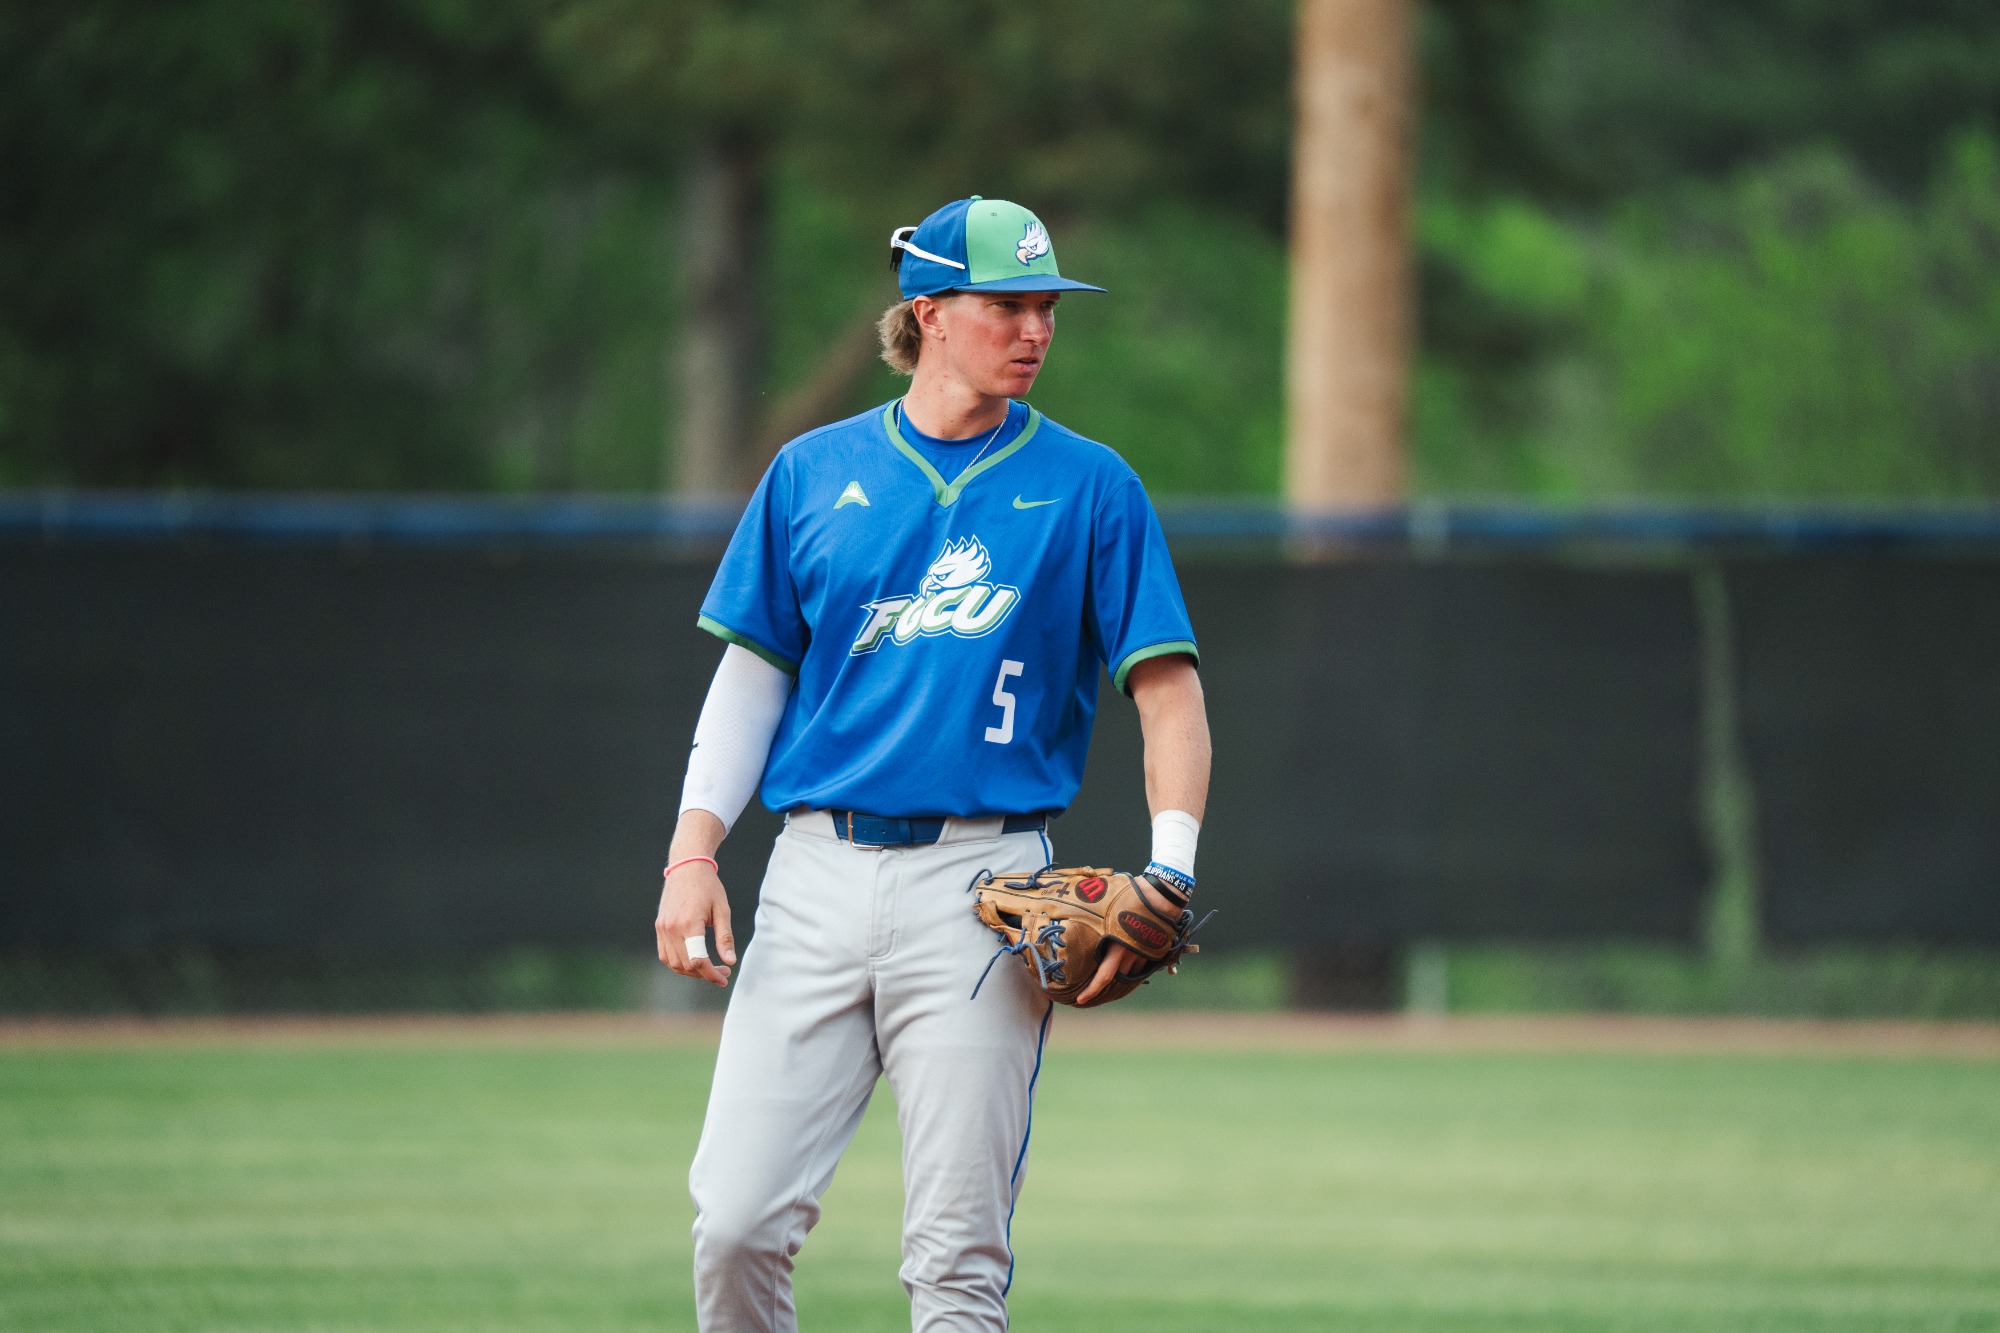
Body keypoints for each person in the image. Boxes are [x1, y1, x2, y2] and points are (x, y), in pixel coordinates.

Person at [655, 195, 1211, 1333]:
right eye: (1005, 303)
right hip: (811, 876)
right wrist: (692, 851)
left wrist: (1171, 869)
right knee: (735, 1223)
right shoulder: (812, 472)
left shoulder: (1090, 484)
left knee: (955, 1262)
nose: (1035, 328)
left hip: (982, 893)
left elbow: (1169, 693)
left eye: (1046, 306)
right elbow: (750, 677)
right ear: (928, 312)